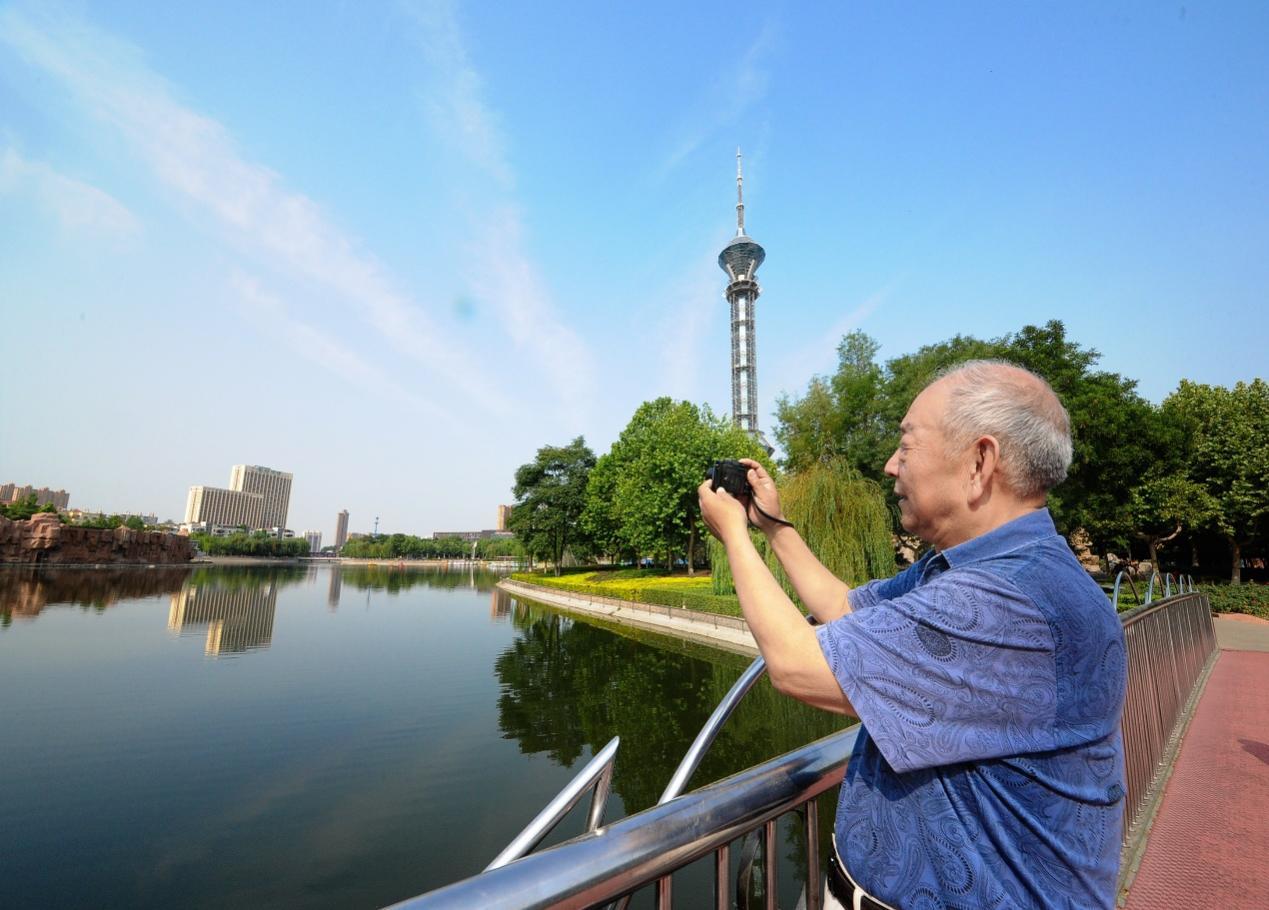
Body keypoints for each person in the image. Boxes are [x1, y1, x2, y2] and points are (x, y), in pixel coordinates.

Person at [699, 360, 1127, 910]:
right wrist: (771, 526)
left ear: (979, 462)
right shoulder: (972, 567)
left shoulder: (1007, 601)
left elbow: (797, 665)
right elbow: (844, 609)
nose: (889, 465)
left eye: (906, 446)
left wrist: (733, 535)